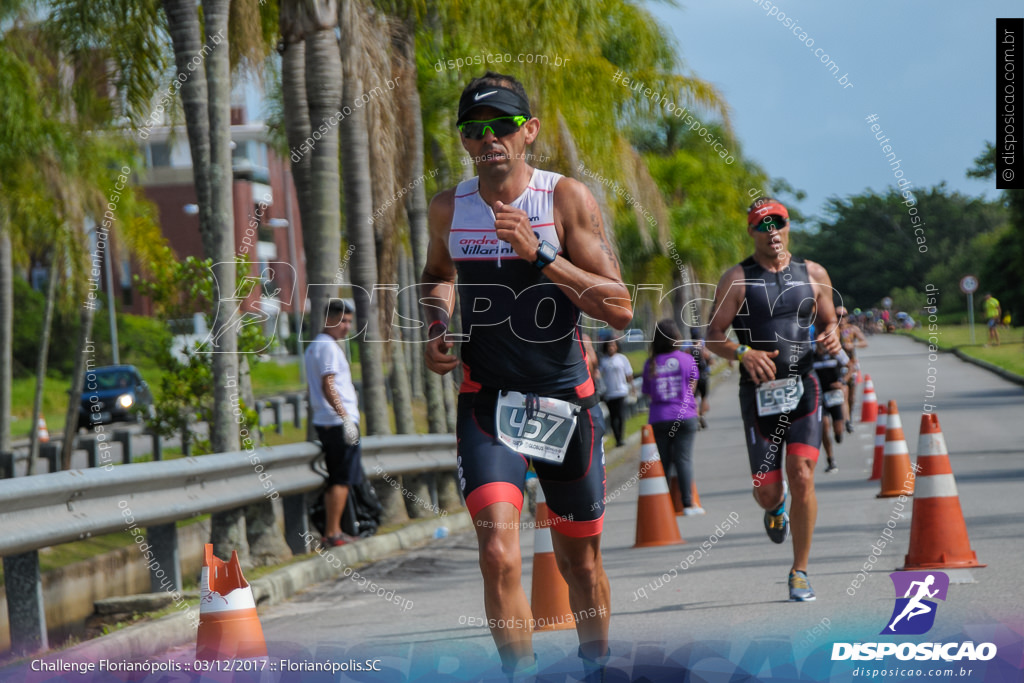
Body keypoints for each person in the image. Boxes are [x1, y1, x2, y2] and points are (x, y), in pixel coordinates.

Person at [419, 71, 632, 677]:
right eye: (474, 129)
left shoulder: (564, 199)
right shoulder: (448, 207)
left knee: (581, 564)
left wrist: (542, 256)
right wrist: (437, 326)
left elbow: (619, 305)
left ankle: (596, 666)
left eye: (502, 126)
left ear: (529, 132)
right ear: (464, 141)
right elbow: (437, 274)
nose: (489, 139)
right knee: (497, 554)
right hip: (487, 403)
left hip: (565, 402)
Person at [705, 197, 842, 602]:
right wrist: (742, 354)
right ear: (751, 232)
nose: (771, 231)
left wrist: (833, 333)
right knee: (769, 490)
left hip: (803, 387)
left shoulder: (813, 273)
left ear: (787, 225)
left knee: (801, 475)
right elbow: (713, 336)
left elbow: (830, 319)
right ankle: (774, 508)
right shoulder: (738, 278)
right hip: (760, 396)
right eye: (762, 225)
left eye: (777, 222)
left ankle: (799, 571)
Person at [304, 300, 362, 547]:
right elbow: (328, 385)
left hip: (329, 421)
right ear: (328, 320)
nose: (347, 326)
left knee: (339, 477)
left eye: (349, 321)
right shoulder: (327, 347)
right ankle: (333, 532)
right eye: (342, 321)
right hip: (337, 423)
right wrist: (345, 418)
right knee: (341, 478)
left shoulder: (317, 346)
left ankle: (334, 529)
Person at [642, 320, 703, 514]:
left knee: (664, 462)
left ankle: (664, 506)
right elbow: (692, 388)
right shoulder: (686, 360)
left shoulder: (650, 363)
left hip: (659, 417)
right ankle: (688, 504)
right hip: (685, 416)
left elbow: (649, 393)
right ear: (676, 338)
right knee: (683, 459)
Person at [812, 341, 851, 473]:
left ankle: (839, 433)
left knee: (838, 430)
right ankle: (830, 459)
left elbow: (851, 366)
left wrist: (842, 381)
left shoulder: (836, 352)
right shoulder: (810, 355)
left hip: (834, 394)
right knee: (824, 426)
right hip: (819, 395)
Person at [599, 339, 634, 447]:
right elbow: (599, 376)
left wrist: (632, 387)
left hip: (621, 391)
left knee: (620, 416)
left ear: (617, 347)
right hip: (609, 393)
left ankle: (621, 437)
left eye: (613, 345)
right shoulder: (603, 361)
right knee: (613, 417)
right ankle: (617, 438)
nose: (611, 347)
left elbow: (629, 374)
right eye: (609, 345)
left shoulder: (621, 358)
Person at [837, 306, 867, 430]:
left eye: (843, 316)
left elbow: (864, 342)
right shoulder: (832, 329)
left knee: (851, 396)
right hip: (838, 365)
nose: (841, 318)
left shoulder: (852, 329)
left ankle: (850, 415)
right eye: (838, 316)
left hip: (852, 364)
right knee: (842, 393)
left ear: (847, 317)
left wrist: (853, 344)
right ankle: (846, 420)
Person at [689, 327, 712, 428]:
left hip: (693, 377)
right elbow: (711, 361)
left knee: (694, 398)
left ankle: (697, 417)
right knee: (703, 398)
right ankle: (702, 415)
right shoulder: (703, 349)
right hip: (703, 377)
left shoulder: (688, 350)